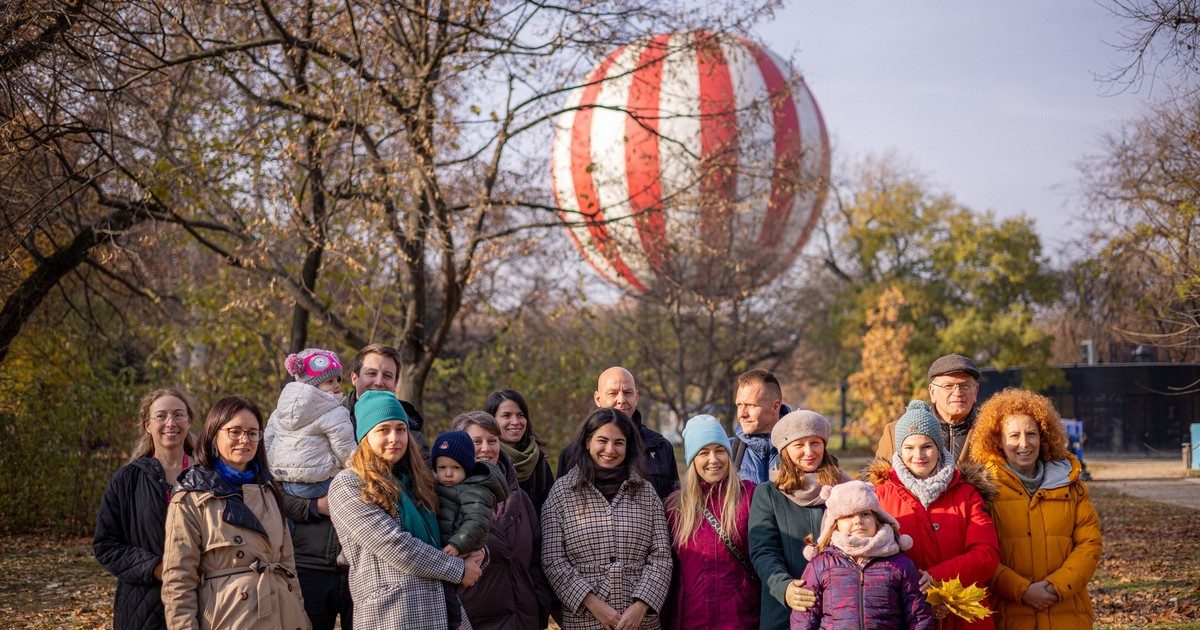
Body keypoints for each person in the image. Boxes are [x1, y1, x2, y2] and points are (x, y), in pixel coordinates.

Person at [328, 390, 483, 629]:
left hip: (444, 609)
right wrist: (458, 569)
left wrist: (476, 551)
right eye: (383, 429)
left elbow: (454, 524)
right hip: (393, 615)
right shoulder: (348, 484)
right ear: (365, 436)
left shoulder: (420, 480)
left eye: (401, 429)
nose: (395, 438)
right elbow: (394, 545)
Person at [160, 395, 309, 630]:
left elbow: (288, 565)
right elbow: (178, 579)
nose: (244, 440)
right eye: (235, 431)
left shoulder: (269, 491)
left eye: (252, 433)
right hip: (230, 619)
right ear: (214, 435)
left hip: (283, 616)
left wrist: (300, 615)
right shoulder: (191, 496)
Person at [964, 388, 1102, 629]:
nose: (1024, 443)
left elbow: (1089, 544)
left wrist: (1056, 587)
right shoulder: (983, 488)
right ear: (998, 440)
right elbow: (979, 554)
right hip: (1009, 615)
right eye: (1014, 435)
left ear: (1044, 436)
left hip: (1067, 612)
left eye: (1031, 434)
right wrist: (1023, 590)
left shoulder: (1071, 484)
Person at [866, 400, 1000, 630]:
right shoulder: (880, 495)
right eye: (909, 447)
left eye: (927, 446)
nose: (918, 455)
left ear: (939, 447)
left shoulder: (966, 493)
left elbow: (986, 555)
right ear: (899, 450)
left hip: (964, 616)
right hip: (906, 614)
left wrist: (938, 577)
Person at [542, 408, 673, 629]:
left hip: (640, 622)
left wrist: (640, 606)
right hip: (585, 619)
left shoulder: (646, 492)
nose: (610, 450)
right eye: (602, 440)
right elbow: (553, 559)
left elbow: (661, 557)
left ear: (628, 446)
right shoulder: (562, 493)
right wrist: (594, 605)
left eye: (618, 442)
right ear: (587, 442)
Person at [94, 388, 197, 630]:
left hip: (201, 599)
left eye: (178, 415)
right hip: (142, 608)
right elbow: (106, 545)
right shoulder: (127, 479)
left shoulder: (208, 475)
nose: (170, 423)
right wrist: (156, 568)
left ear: (189, 420)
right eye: (161, 416)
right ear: (147, 425)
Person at [450, 411, 555, 630]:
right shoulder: (445, 498)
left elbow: (537, 555)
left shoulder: (519, 497)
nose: (486, 449)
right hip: (473, 619)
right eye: (476, 442)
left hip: (524, 618)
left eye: (492, 441)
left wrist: (540, 603)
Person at [749, 410, 850, 630]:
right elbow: (763, 550)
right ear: (785, 451)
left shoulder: (846, 489)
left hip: (840, 608)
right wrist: (784, 587)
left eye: (815, 442)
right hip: (785, 612)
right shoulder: (767, 494)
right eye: (799, 445)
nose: (809, 451)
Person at [790, 481, 934, 630]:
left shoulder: (900, 564)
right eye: (848, 516)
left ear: (877, 519)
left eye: (865, 514)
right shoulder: (821, 564)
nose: (858, 521)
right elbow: (805, 617)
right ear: (835, 523)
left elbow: (919, 617)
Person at [664, 415, 759, 629]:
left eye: (720, 450)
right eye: (704, 452)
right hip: (691, 620)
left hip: (742, 620)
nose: (714, 459)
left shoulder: (750, 497)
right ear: (692, 459)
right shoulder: (674, 508)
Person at [557, 367, 679, 500]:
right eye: (613, 393)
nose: (621, 400)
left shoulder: (660, 447)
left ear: (636, 397)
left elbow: (673, 508)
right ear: (598, 399)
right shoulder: (574, 453)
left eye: (628, 393)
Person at [264, 348, 356, 500]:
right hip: (316, 485)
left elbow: (267, 442)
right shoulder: (334, 412)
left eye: (338, 380)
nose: (337, 385)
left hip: (283, 483)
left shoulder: (279, 411)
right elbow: (345, 449)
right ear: (313, 385)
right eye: (329, 381)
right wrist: (360, 472)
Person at [876, 353, 982, 465]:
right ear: (932, 392)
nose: (958, 393)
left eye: (965, 386)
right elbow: (877, 479)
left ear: (975, 391)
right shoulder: (896, 432)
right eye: (948, 386)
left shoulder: (992, 433)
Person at [431, 430, 507, 555]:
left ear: (467, 468)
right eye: (442, 467)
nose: (448, 474)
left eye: (456, 467)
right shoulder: (435, 486)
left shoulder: (475, 491)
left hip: (460, 549)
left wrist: (457, 544)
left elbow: (477, 522)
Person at [485, 389, 555, 515]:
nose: (516, 422)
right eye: (506, 416)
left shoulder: (539, 463)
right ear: (491, 420)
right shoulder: (483, 461)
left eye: (521, 415)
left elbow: (551, 514)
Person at [732, 369, 790, 483]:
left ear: (775, 406)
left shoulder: (803, 451)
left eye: (750, 405)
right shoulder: (726, 453)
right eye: (739, 405)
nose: (742, 414)